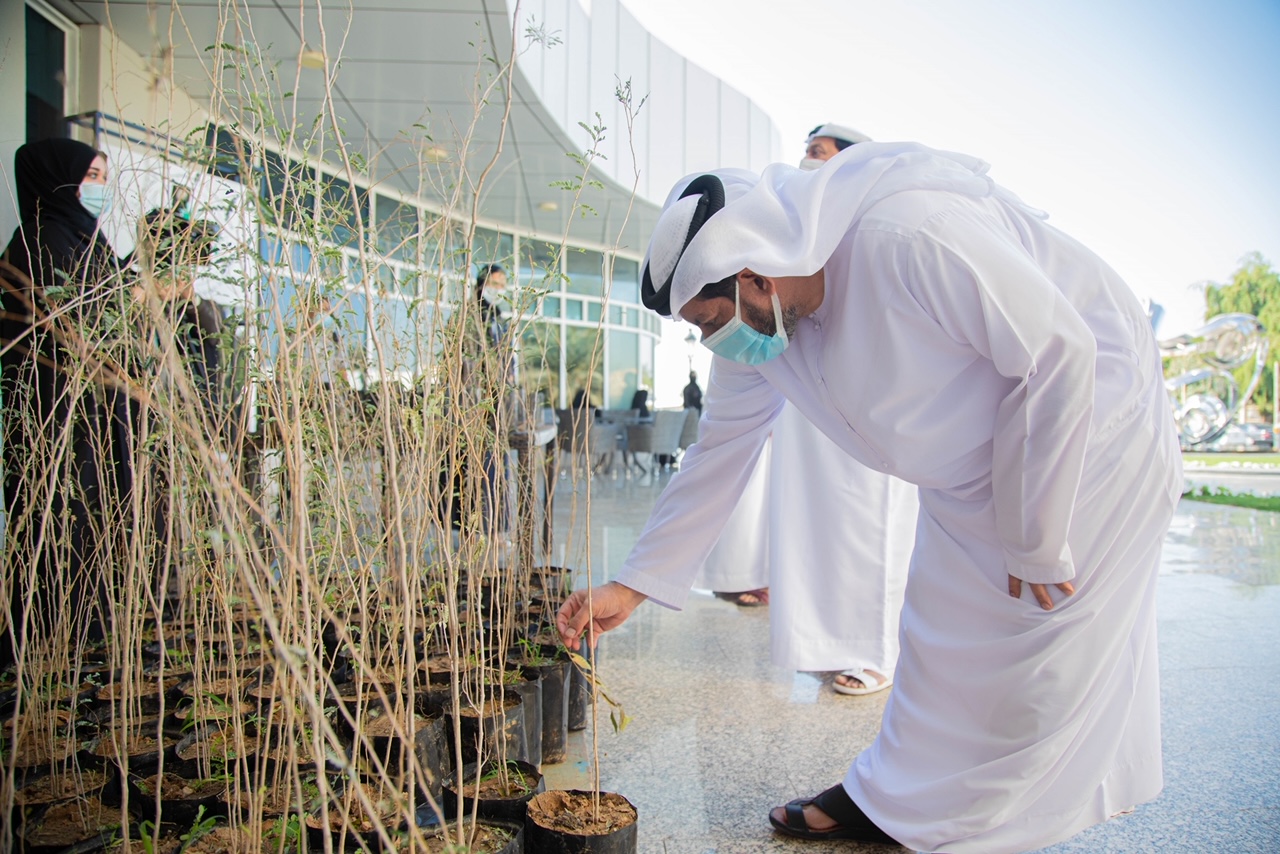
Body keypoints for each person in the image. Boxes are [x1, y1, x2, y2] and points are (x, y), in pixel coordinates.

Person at [557, 142, 1182, 852]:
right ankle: (890, 800)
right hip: (970, 475)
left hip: (1086, 439)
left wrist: (1037, 538)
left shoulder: (907, 235)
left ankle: (982, 830)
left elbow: (1062, 349)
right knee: (936, 644)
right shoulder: (763, 330)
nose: (711, 342)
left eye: (709, 321)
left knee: (1040, 657)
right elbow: (718, 454)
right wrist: (632, 587)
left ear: (756, 272)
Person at [0, 139, 134, 669]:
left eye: (103, 176)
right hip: (57, 422)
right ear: (58, 179)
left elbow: (107, 307)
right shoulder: (39, 244)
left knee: (96, 528)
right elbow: (79, 326)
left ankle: (84, 648)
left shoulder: (84, 240)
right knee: (62, 529)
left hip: (93, 417)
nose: (99, 187)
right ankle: (46, 660)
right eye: (92, 175)